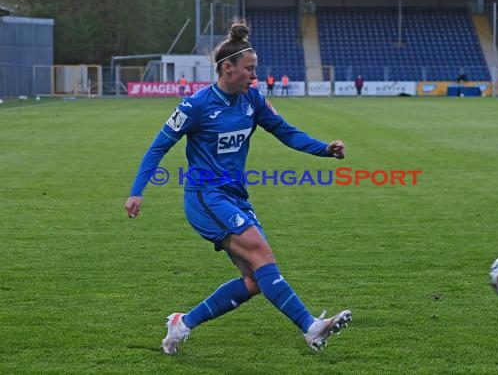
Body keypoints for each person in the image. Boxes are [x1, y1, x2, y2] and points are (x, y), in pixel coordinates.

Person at [125, 20, 351, 355]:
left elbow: (285, 131)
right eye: (249, 69)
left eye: (255, 69)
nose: (254, 76)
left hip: (234, 197)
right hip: (205, 197)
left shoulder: (253, 100)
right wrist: (137, 190)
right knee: (262, 254)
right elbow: (159, 146)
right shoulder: (196, 105)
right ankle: (311, 327)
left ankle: (181, 323)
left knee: (254, 281)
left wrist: (323, 149)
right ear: (227, 68)